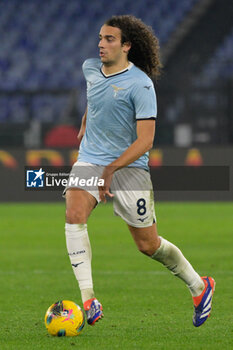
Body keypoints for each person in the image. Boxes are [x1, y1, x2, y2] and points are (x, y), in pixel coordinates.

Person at [64, 15, 215, 327]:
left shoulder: (141, 85)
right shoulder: (90, 68)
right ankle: (89, 298)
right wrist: (84, 123)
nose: (100, 44)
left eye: (109, 39)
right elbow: (94, 97)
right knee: (74, 212)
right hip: (91, 158)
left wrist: (112, 168)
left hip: (129, 167)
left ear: (127, 46)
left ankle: (199, 286)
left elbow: (146, 141)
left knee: (148, 244)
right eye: (100, 38)